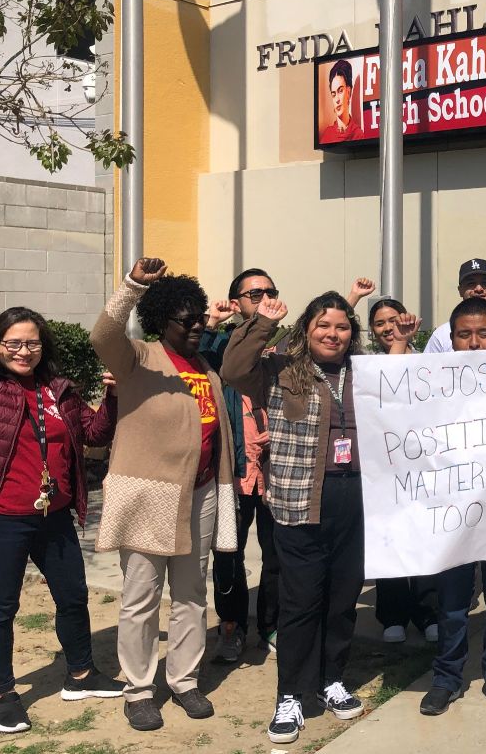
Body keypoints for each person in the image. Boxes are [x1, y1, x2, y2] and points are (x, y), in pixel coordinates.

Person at [0, 272, 123, 734]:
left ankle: (81, 675)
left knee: (73, 596)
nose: (23, 351)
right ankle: (3, 694)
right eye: (13, 343)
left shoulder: (59, 390)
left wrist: (112, 396)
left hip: (54, 517)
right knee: (1, 607)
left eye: (31, 343)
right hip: (1, 518)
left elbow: (95, 434)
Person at [90, 258, 240, 731]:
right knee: (141, 598)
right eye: (186, 319)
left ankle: (184, 681)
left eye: (199, 316)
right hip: (149, 498)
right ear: (161, 322)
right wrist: (133, 285)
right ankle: (138, 690)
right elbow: (102, 336)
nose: (197, 325)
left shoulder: (205, 369)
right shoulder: (136, 358)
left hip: (200, 495)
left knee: (193, 594)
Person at [222, 290, 367, 745]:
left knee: (342, 599)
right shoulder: (280, 371)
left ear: (352, 332)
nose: (333, 334)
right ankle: (291, 694)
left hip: (356, 501)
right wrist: (262, 323)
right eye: (324, 325)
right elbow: (232, 369)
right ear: (307, 329)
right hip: (299, 502)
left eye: (342, 326)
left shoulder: (364, 373)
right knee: (301, 602)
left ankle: (331, 679)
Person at [412, 298, 486, 717]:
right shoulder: (430, 384)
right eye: (464, 334)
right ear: (451, 339)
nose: (475, 343)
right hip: (452, 510)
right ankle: (447, 676)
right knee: (453, 602)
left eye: (483, 334)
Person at [201, 267, 283, 663]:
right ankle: (231, 627)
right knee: (228, 555)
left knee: (278, 553)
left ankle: (271, 624)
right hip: (233, 470)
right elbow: (188, 353)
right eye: (253, 294)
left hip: (275, 470)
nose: (263, 297)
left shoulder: (284, 342)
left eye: (269, 291)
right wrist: (212, 322)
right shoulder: (218, 345)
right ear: (236, 303)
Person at [364, 296, 439, 644]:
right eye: (379, 323)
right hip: (385, 472)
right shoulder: (368, 365)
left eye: (393, 319)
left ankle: (428, 613)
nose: (387, 327)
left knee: (425, 542)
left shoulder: (429, 363)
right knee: (391, 542)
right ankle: (392, 614)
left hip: (425, 470)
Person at [318, 59, 362, 144]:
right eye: (333, 94)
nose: (337, 100)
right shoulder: (327, 136)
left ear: (348, 92)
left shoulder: (358, 135)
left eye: (340, 91)